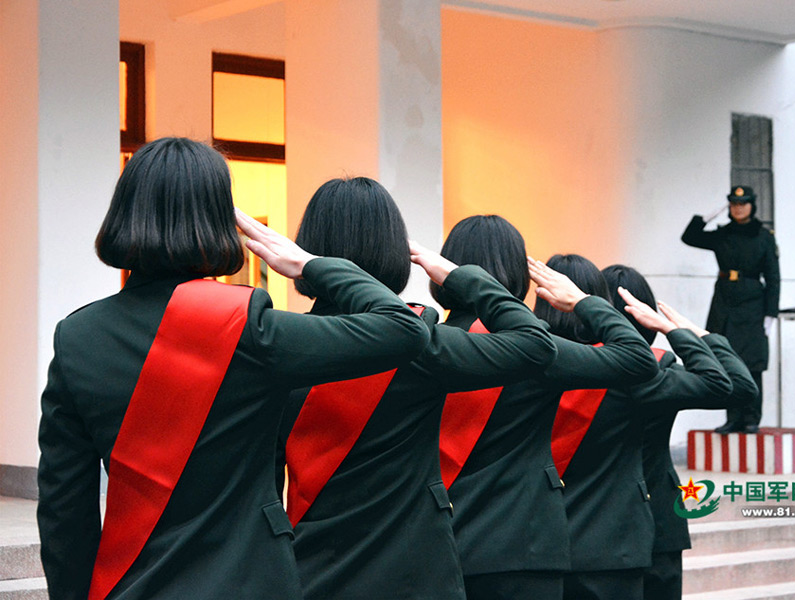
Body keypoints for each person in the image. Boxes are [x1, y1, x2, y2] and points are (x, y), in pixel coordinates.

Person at [36, 138, 430, 600]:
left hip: (133, 582)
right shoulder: (249, 325)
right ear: (219, 220)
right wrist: (310, 264)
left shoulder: (77, 336)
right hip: (248, 582)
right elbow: (403, 328)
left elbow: (65, 508)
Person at [275, 179, 558, 600]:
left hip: (309, 565)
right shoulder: (424, 344)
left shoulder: (276, 342)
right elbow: (535, 345)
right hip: (416, 572)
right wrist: (461, 277)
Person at [435, 228, 660, 600]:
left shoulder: (418, 341)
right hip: (523, 548)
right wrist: (583, 302)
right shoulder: (538, 351)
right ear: (516, 275)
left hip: (437, 548)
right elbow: (637, 359)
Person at [600, 264, 758, 600]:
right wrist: (690, 333)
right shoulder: (660, 371)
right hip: (658, 514)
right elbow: (742, 387)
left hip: (601, 520)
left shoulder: (582, 366)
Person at [681, 185, 780, 434]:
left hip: (753, 304)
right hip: (724, 303)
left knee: (752, 364)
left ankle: (751, 418)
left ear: (752, 206)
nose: (738, 208)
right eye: (734, 204)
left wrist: (771, 313)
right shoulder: (723, 234)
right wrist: (706, 217)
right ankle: (733, 417)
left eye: (743, 204)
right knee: (726, 360)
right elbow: (689, 237)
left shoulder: (763, 236)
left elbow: (773, 277)